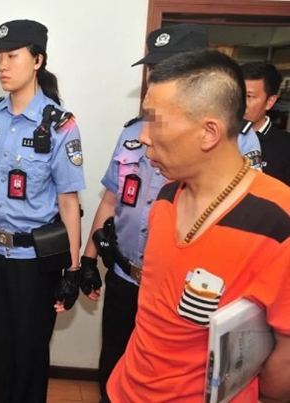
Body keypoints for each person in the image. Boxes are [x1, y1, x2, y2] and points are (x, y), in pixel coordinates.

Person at [76, 24, 263, 402]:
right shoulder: (133, 132)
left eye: (168, 68)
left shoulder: (237, 140)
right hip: (126, 277)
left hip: (188, 294)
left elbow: (244, 222)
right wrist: (89, 259)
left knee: (177, 382)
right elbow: (111, 199)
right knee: (113, 372)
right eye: (153, 69)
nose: (156, 76)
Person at [107, 49, 290, 403]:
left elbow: (282, 371)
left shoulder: (277, 222)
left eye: (156, 121)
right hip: (125, 390)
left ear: (208, 133)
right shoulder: (166, 197)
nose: (143, 136)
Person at [0, 19, 85, 403]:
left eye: (12, 56)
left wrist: (73, 270)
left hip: (35, 261)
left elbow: (69, 203)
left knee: (30, 353)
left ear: (38, 60)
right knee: (0, 349)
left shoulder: (61, 126)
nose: (2, 66)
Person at [241, 62, 290, 185]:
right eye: (235, 94)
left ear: (269, 102)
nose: (239, 103)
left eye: (248, 96)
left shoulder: (286, 146)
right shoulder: (217, 137)